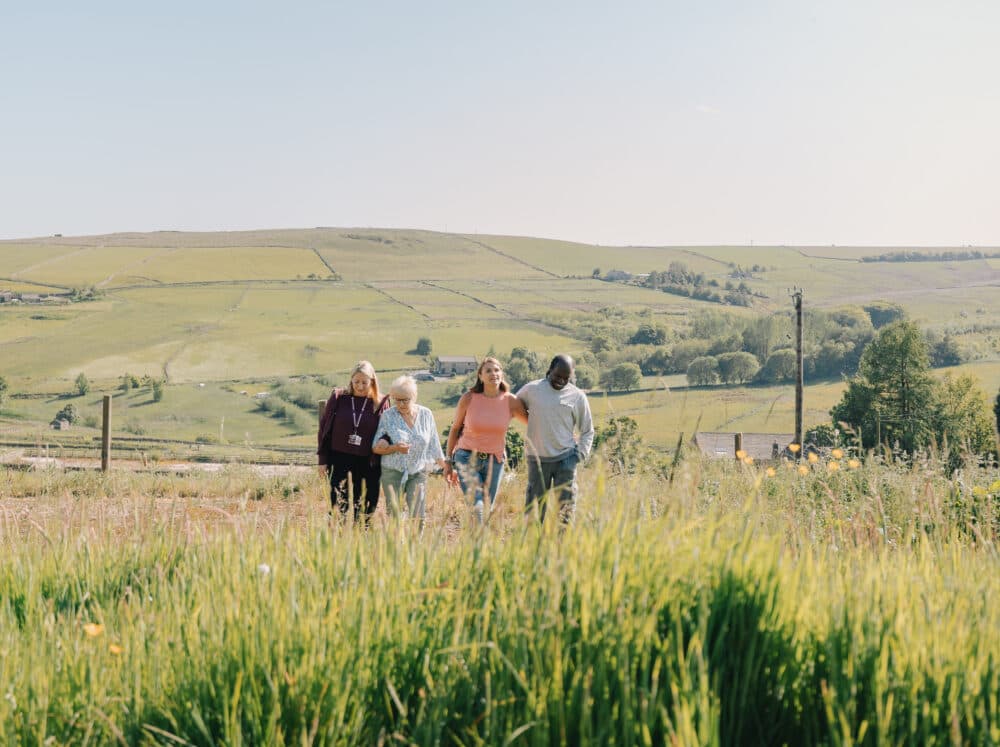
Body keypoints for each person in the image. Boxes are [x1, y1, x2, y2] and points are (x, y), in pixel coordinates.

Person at [445, 357, 527, 524]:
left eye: (496, 370)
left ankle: (475, 545)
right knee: (477, 506)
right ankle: (479, 544)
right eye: (488, 370)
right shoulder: (468, 398)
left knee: (486, 507)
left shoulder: (511, 401)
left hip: (495, 461)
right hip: (466, 457)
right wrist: (448, 461)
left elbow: (532, 423)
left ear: (502, 374)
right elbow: (454, 429)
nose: (493, 374)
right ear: (480, 376)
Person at [517, 354, 594, 523]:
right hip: (537, 459)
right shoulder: (532, 389)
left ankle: (560, 546)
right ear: (549, 370)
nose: (561, 381)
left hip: (566, 459)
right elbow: (513, 404)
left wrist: (579, 455)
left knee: (565, 509)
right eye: (558, 375)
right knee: (535, 508)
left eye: (566, 378)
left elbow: (587, 430)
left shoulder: (578, 396)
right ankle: (534, 545)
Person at [317, 361, 389, 522]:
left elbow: (386, 430)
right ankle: (337, 541)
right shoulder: (338, 398)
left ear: (372, 381)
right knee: (338, 506)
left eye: (364, 382)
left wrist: (384, 441)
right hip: (339, 460)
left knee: (365, 507)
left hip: (368, 463)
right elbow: (324, 430)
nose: (360, 386)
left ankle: (361, 539)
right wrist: (322, 460)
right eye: (356, 382)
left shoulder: (381, 402)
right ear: (351, 380)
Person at [372, 375, 447, 527]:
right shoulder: (388, 416)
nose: (401, 404)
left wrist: (446, 468)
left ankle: (416, 547)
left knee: (418, 513)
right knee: (395, 515)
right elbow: (376, 448)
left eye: (405, 399)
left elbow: (434, 444)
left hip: (418, 471)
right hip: (393, 471)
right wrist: (395, 448)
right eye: (397, 399)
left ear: (414, 397)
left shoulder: (426, 414)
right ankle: (397, 547)